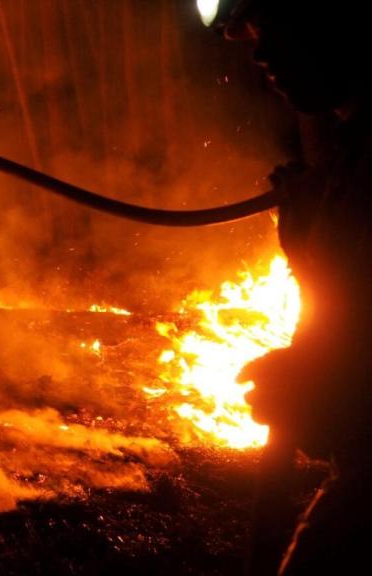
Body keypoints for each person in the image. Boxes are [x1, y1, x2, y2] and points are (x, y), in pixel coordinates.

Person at [207, 1, 372, 574]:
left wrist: (315, 384)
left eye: (272, 29)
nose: (259, 54)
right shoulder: (354, 152)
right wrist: (308, 238)